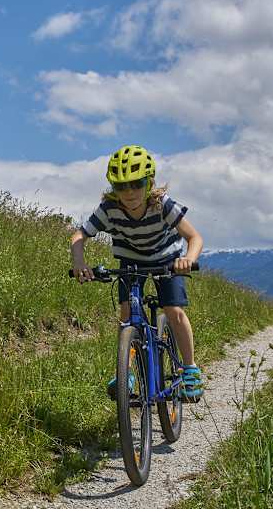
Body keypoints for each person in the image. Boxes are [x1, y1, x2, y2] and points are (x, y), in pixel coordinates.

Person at [70, 145, 204, 402]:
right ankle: (126, 374)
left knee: (174, 311)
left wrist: (188, 259)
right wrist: (79, 262)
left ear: (149, 182)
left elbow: (194, 237)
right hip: (130, 261)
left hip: (168, 259)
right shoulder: (109, 209)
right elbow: (80, 235)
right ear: (113, 188)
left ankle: (190, 370)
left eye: (136, 184)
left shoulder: (162, 205)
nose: (129, 192)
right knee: (127, 313)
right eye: (121, 186)